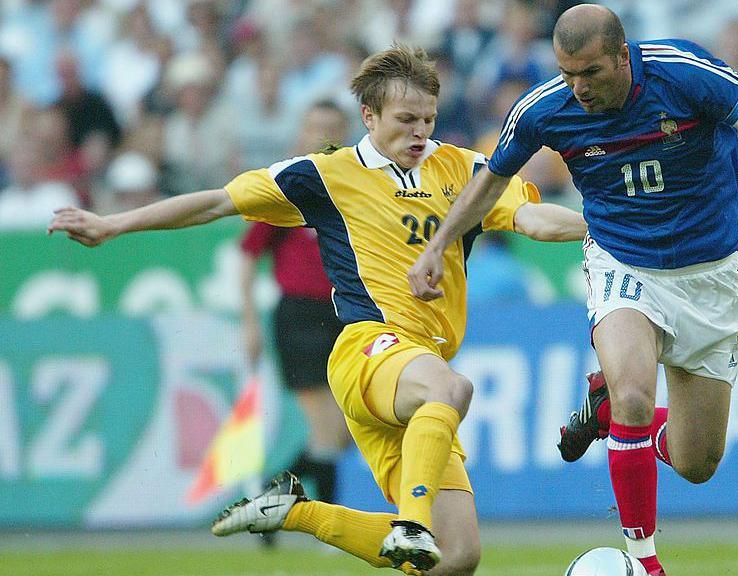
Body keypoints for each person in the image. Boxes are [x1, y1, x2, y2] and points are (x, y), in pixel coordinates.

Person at [50, 45, 585, 575]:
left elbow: (535, 220)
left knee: (459, 555)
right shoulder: (325, 174)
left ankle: (298, 513)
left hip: (417, 376)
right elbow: (216, 201)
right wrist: (113, 224)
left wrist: (606, 230)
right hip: (365, 349)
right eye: (405, 120)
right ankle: (411, 523)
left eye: (428, 119)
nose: (419, 132)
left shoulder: (469, 170)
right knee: (452, 389)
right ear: (369, 116)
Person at [407, 6, 738, 576]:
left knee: (697, 462)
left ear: (623, 56)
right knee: (637, 396)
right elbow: (489, 180)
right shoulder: (546, 109)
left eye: (590, 73)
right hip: (623, 262)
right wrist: (438, 246)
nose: (579, 88)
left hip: (709, 273)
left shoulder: (685, 75)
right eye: (568, 74)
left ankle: (608, 410)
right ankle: (645, 562)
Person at [238, 100, 354, 541]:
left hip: (343, 313)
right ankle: (331, 530)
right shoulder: (286, 186)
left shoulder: (351, 185)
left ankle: (268, 501)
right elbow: (249, 255)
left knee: (340, 435)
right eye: (314, 127)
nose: (322, 136)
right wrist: (248, 321)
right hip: (299, 314)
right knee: (327, 430)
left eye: (331, 128)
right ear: (301, 133)